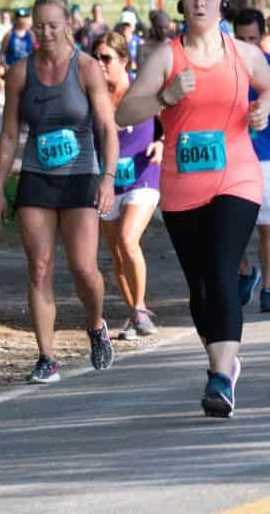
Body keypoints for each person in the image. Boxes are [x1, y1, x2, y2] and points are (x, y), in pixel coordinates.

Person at [114, 0, 270, 418]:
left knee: (223, 270)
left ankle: (220, 378)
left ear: (221, 2)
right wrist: (165, 97)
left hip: (237, 176)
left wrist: (263, 108)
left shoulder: (242, 52)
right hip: (183, 183)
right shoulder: (166, 57)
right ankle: (223, 361)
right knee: (201, 287)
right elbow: (125, 110)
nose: (200, 3)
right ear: (183, 4)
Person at [0, 0, 119, 384]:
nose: (45, 32)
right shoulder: (19, 72)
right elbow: (10, 134)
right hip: (37, 177)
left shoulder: (86, 68)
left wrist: (108, 179)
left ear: (67, 24)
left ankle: (95, 325)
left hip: (80, 176)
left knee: (84, 269)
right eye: (39, 25)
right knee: (39, 266)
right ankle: (46, 357)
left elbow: (107, 128)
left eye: (53, 25)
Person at [92, 31, 162, 340]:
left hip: (143, 175)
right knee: (116, 254)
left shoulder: (142, 91)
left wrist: (162, 141)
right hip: (108, 182)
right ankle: (134, 310)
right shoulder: (92, 95)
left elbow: (172, 121)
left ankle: (142, 308)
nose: (100, 64)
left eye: (106, 58)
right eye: (96, 58)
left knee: (127, 238)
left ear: (123, 59)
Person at [234, 9, 270, 313]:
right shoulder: (224, 66)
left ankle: (267, 289)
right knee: (232, 227)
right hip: (232, 155)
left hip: (267, 156)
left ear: (261, 37)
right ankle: (245, 271)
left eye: (252, 39)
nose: (247, 45)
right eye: (241, 39)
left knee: (266, 225)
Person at [0, 7, 36, 76]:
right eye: (20, 18)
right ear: (15, 20)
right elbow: (2, 53)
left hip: (27, 70)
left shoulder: (31, 35)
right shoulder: (9, 35)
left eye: (25, 18)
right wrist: (6, 65)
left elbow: (36, 49)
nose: (22, 20)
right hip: (12, 70)